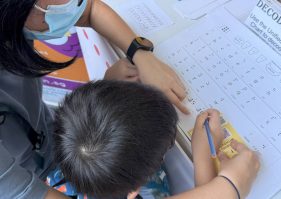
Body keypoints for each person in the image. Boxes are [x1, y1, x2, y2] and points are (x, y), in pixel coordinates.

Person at [0, 0, 189, 199]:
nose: (73, 7)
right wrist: (223, 180)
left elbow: (89, 11)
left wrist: (141, 55)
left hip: (64, 149)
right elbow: (25, 191)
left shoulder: (15, 22)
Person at [54, 80, 260, 199]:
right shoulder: (148, 194)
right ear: (134, 190)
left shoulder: (63, 171)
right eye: (168, 146)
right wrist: (206, 158)